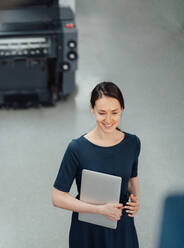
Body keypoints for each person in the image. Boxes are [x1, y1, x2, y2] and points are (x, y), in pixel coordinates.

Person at [52, 82, 140, 248]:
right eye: (102, 113)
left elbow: (131, 180)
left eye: (114, 112)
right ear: (92, 109)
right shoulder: (77, 148)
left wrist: (135, 201)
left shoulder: (133, 143)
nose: (108, 120)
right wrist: (100, 210)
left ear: (122, 108)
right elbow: (57, 197)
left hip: (121, 226)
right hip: (88, 230)